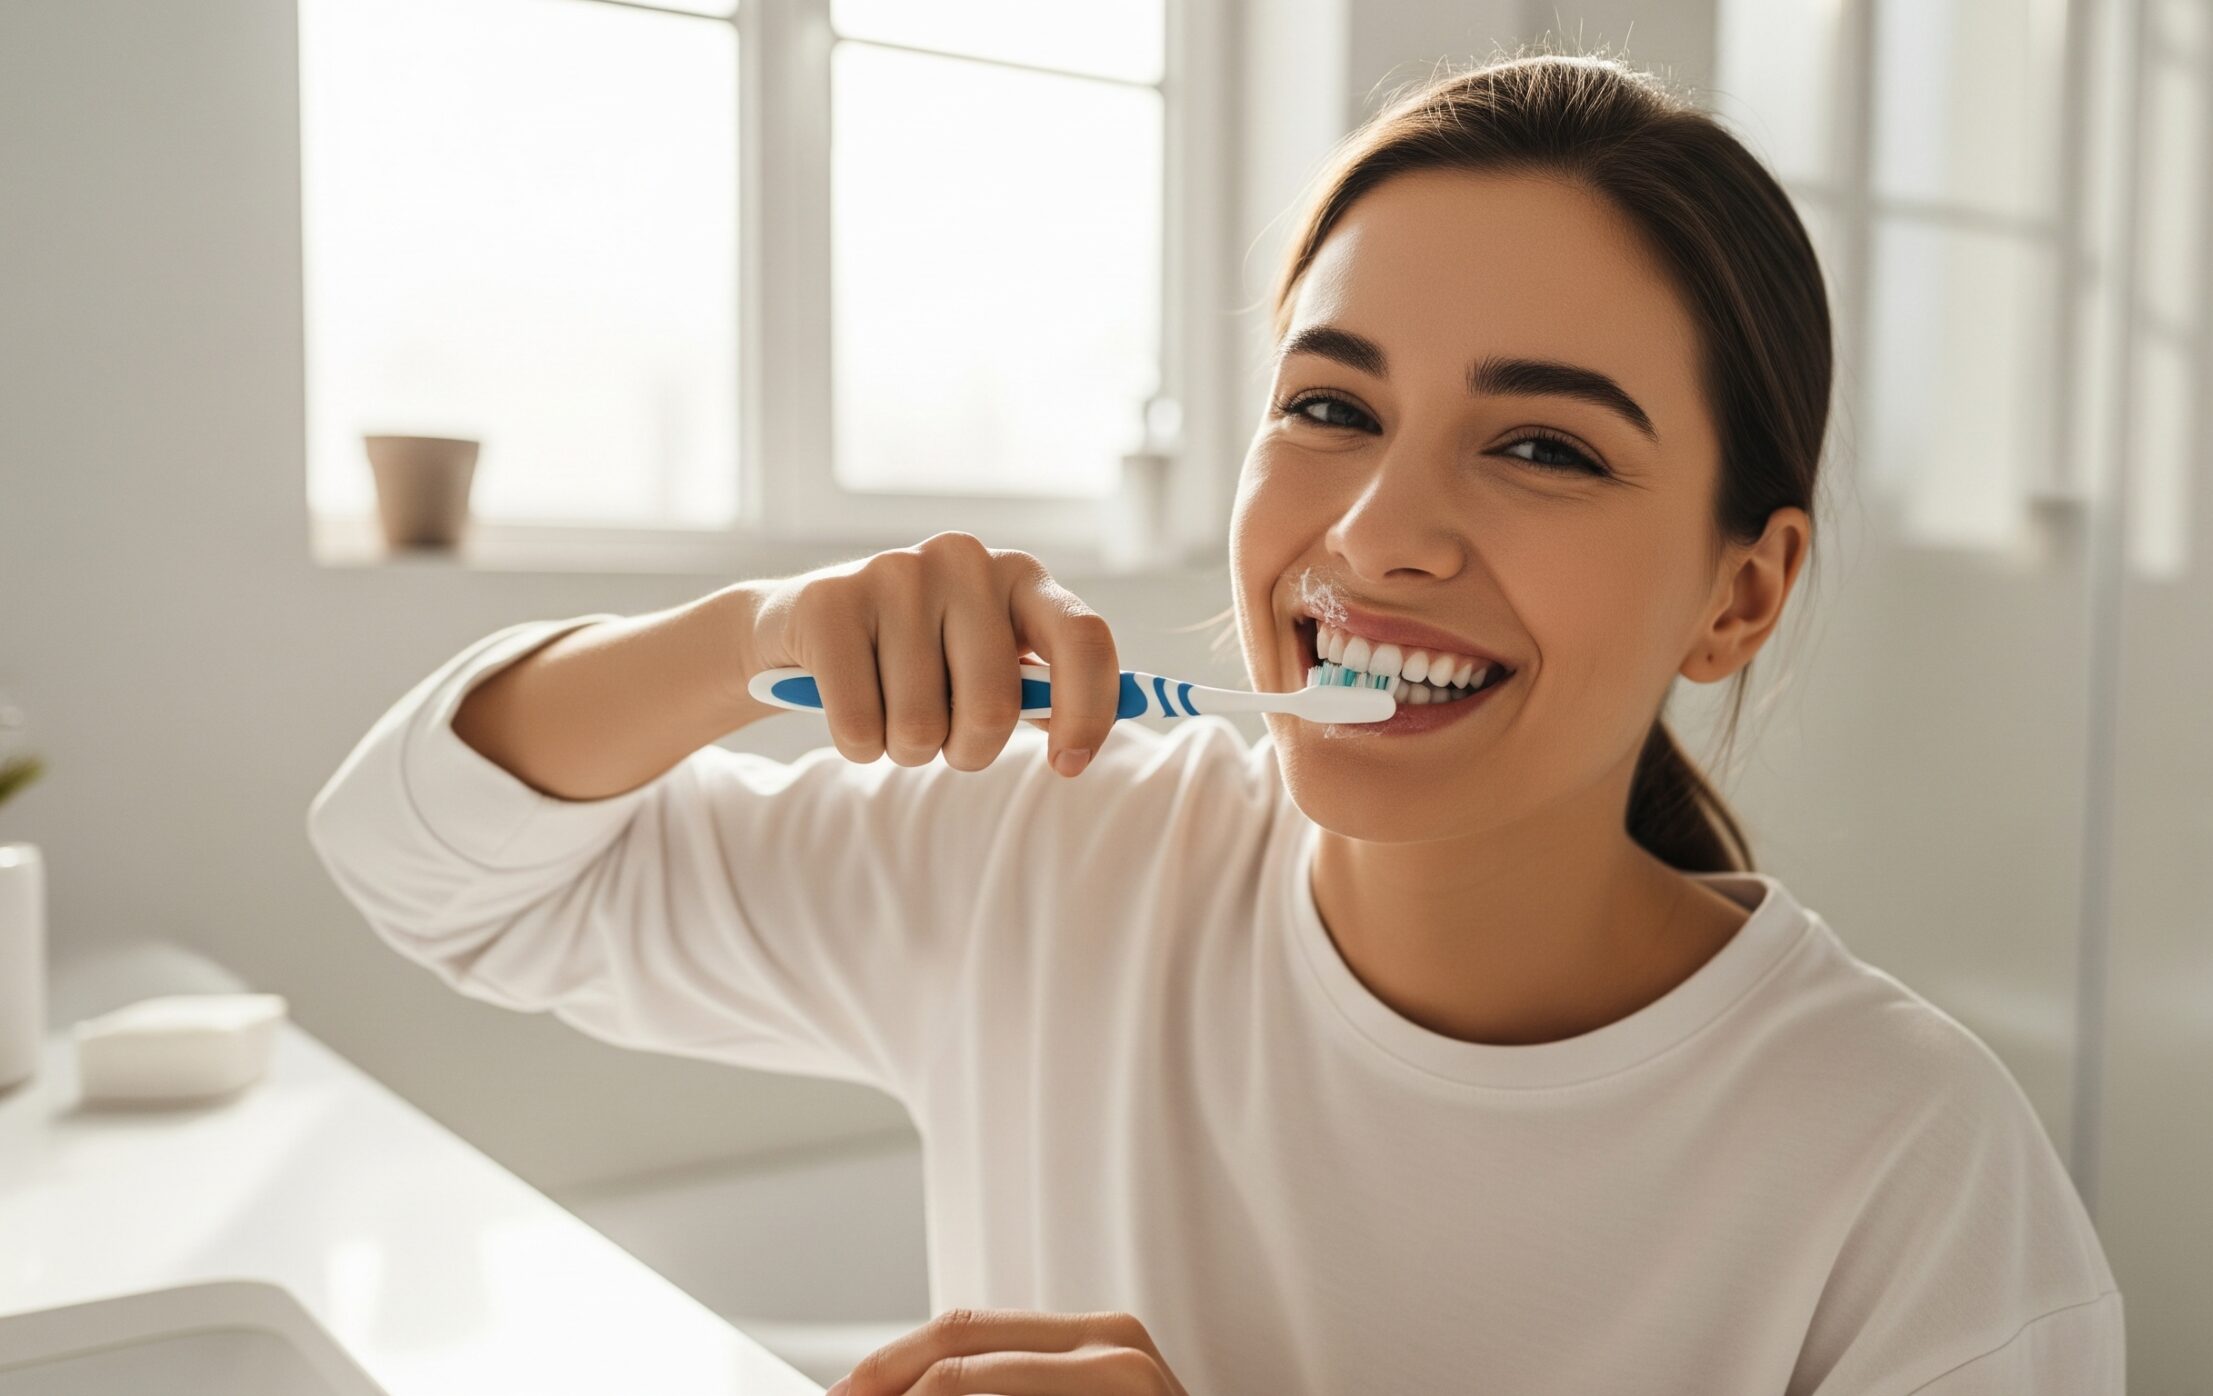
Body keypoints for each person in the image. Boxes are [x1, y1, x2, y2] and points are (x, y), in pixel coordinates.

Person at [309, 48, 2121, 1396]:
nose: (1377, 534)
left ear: (1742, 591)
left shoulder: (1907, 1170)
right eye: (1332, 407)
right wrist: (747, 637)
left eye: (1545, 445)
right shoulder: (1049, 849)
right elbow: (424, 865)